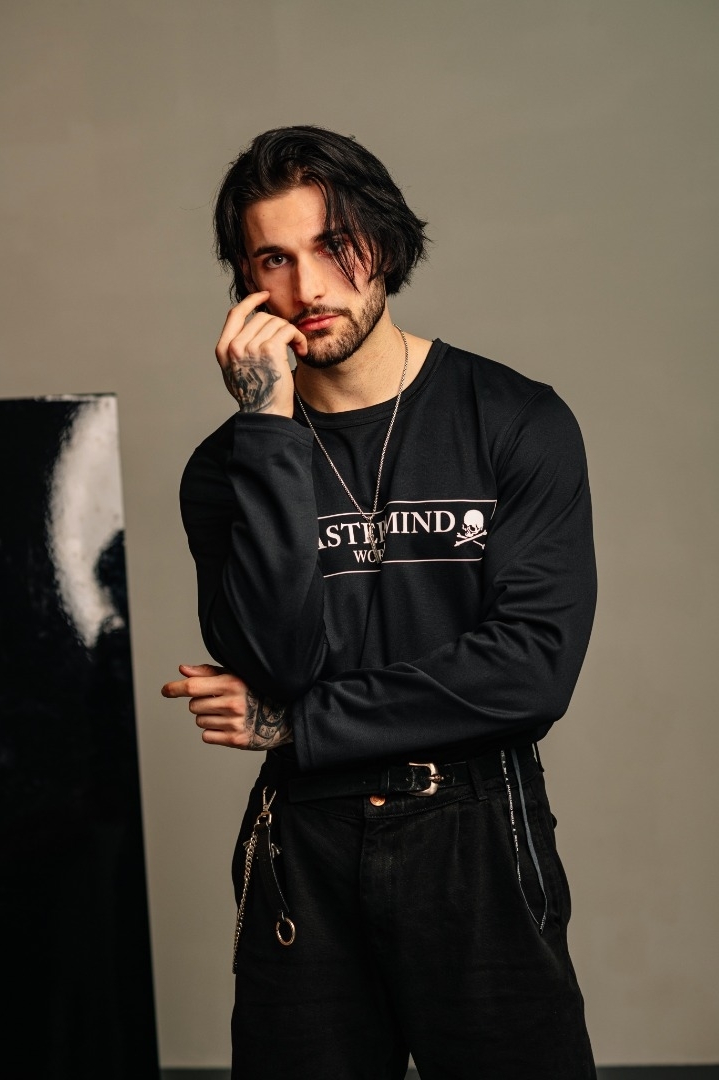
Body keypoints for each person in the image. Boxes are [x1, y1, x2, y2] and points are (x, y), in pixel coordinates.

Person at [162, 125, 597, 1079]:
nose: (308, 286)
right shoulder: (226, 467)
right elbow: (278, 658)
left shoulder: (515, 420)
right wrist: (268, 424)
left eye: (335, 245)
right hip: (305, 842)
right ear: (245, 283)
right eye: (274, 259)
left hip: (476, 826)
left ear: (385, 243)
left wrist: (297, 722)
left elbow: (529, 672)